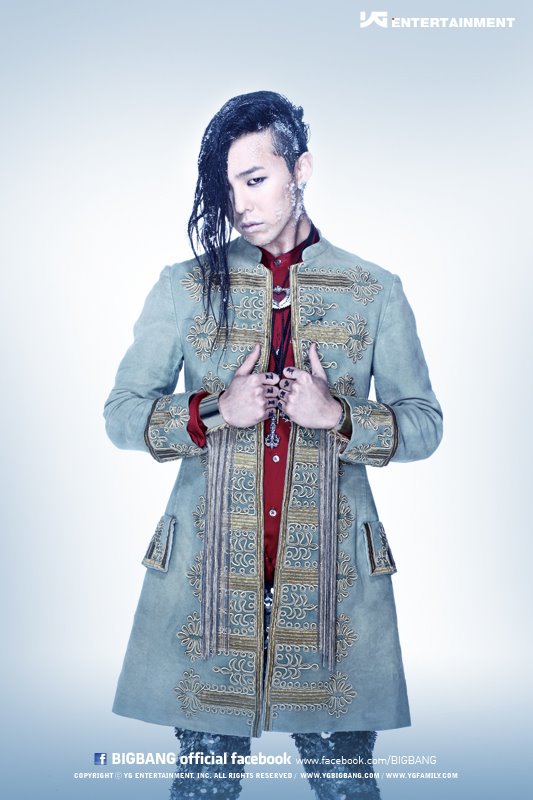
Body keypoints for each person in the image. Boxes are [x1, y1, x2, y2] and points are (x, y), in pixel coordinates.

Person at [104, 91, 443, 799]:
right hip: (207, 586)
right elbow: (121, 414)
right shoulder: (185, 286)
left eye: (255, 179)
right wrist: (213, 410)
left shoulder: (372, 290)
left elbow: (423, 425)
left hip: (331, 591)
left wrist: (338, 416)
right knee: (203, 787)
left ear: (301, 169)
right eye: (227, 187)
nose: (240, 204)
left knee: (346, 786)